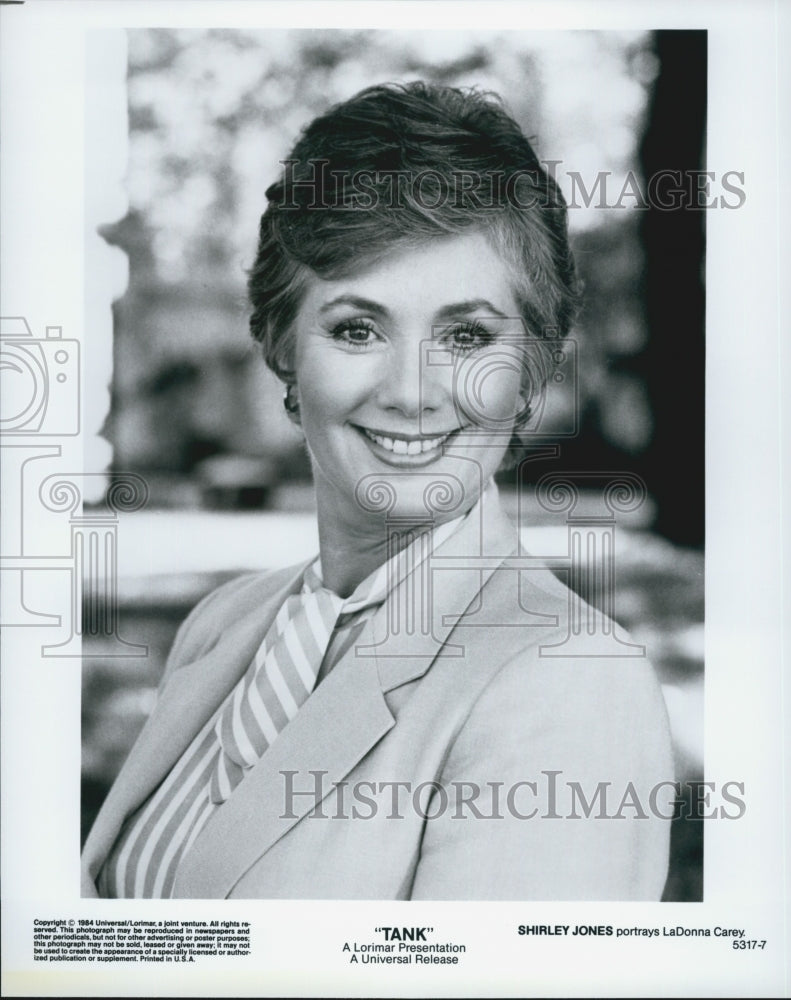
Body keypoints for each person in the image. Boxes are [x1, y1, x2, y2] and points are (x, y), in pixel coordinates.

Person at [82, 81, 673, 900]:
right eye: (358, 328)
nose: (411, 391)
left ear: (532, 369)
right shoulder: (226, 624)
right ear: (282, 345)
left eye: (467, 336)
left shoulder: (570, 683)